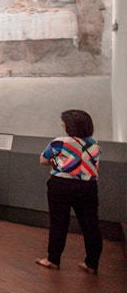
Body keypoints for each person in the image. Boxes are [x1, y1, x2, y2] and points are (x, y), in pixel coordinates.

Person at [35, 109, 102, 274]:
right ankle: (92, 263)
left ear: (69, 126)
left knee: (59, 223)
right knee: (90, 224)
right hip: (88, 187)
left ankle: (53, 260)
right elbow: (92, 165)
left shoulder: (61, 142)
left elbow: (43, 159)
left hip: (62, 185)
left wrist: (61, 162)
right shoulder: (94, 144)